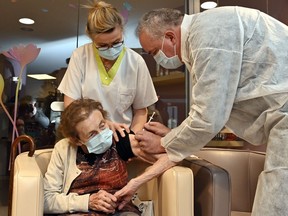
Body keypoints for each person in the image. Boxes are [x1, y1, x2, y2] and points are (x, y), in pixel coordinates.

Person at [130, 6, 288, 216]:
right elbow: (215, 104)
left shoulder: (209, 34)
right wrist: (173, 136)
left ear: (170, 37)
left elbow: (209, 115)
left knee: (276, 195)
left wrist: (164, 143)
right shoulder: (205, 33)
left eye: (153, 52)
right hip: (281, 113)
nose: (158, 59)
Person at [43, 98, 175, 215]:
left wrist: (136, 182)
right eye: (92, 134)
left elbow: (174, 155)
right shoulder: (64, 149)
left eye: (102, 125)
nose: (102, 134)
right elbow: (46, 200)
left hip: (120, 209)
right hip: (81, 210)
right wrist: (87, 201)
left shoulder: (119, 140)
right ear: (77, 140)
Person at [58, 1, 158, 139]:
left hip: (123, 137)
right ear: (91, 38)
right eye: (103, 45)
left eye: (116, 42)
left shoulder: (136, 62)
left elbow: (141, 112)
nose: (111, 49)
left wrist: (131, 139)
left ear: (122, 31)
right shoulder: (80, 57)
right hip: (89, 138)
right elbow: (71, 108)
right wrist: (102, 124)